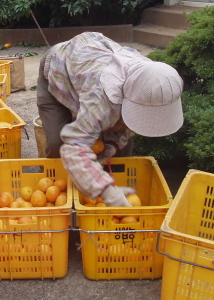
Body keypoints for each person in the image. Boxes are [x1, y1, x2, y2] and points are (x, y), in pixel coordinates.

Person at [37, 32, 184, 207]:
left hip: (87, 68)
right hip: (58, 69)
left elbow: (134, 123)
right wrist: (105, 192)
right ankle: (63, 201)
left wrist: (110, 148)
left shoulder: (154, 83)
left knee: (116, 148)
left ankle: (103, 187)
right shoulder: (101, 97)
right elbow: (74, 147)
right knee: (57, 142)